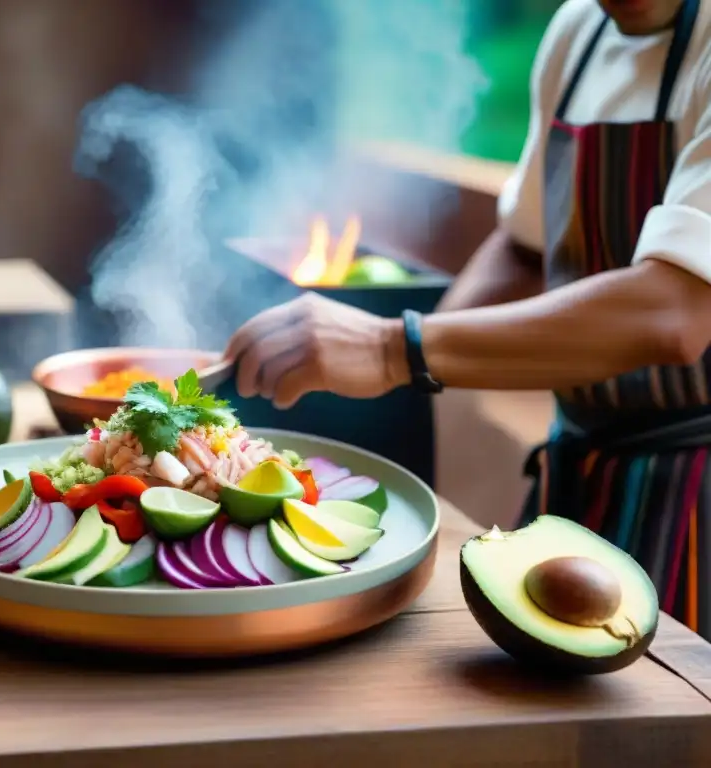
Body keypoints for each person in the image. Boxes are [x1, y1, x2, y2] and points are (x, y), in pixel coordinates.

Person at [225, 0, 711, 638]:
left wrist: (390, 349)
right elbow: (526, 246)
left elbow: (675, 312)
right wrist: (404, 379)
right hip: (579, 474)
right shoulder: (578, 33)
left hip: (696, 493)